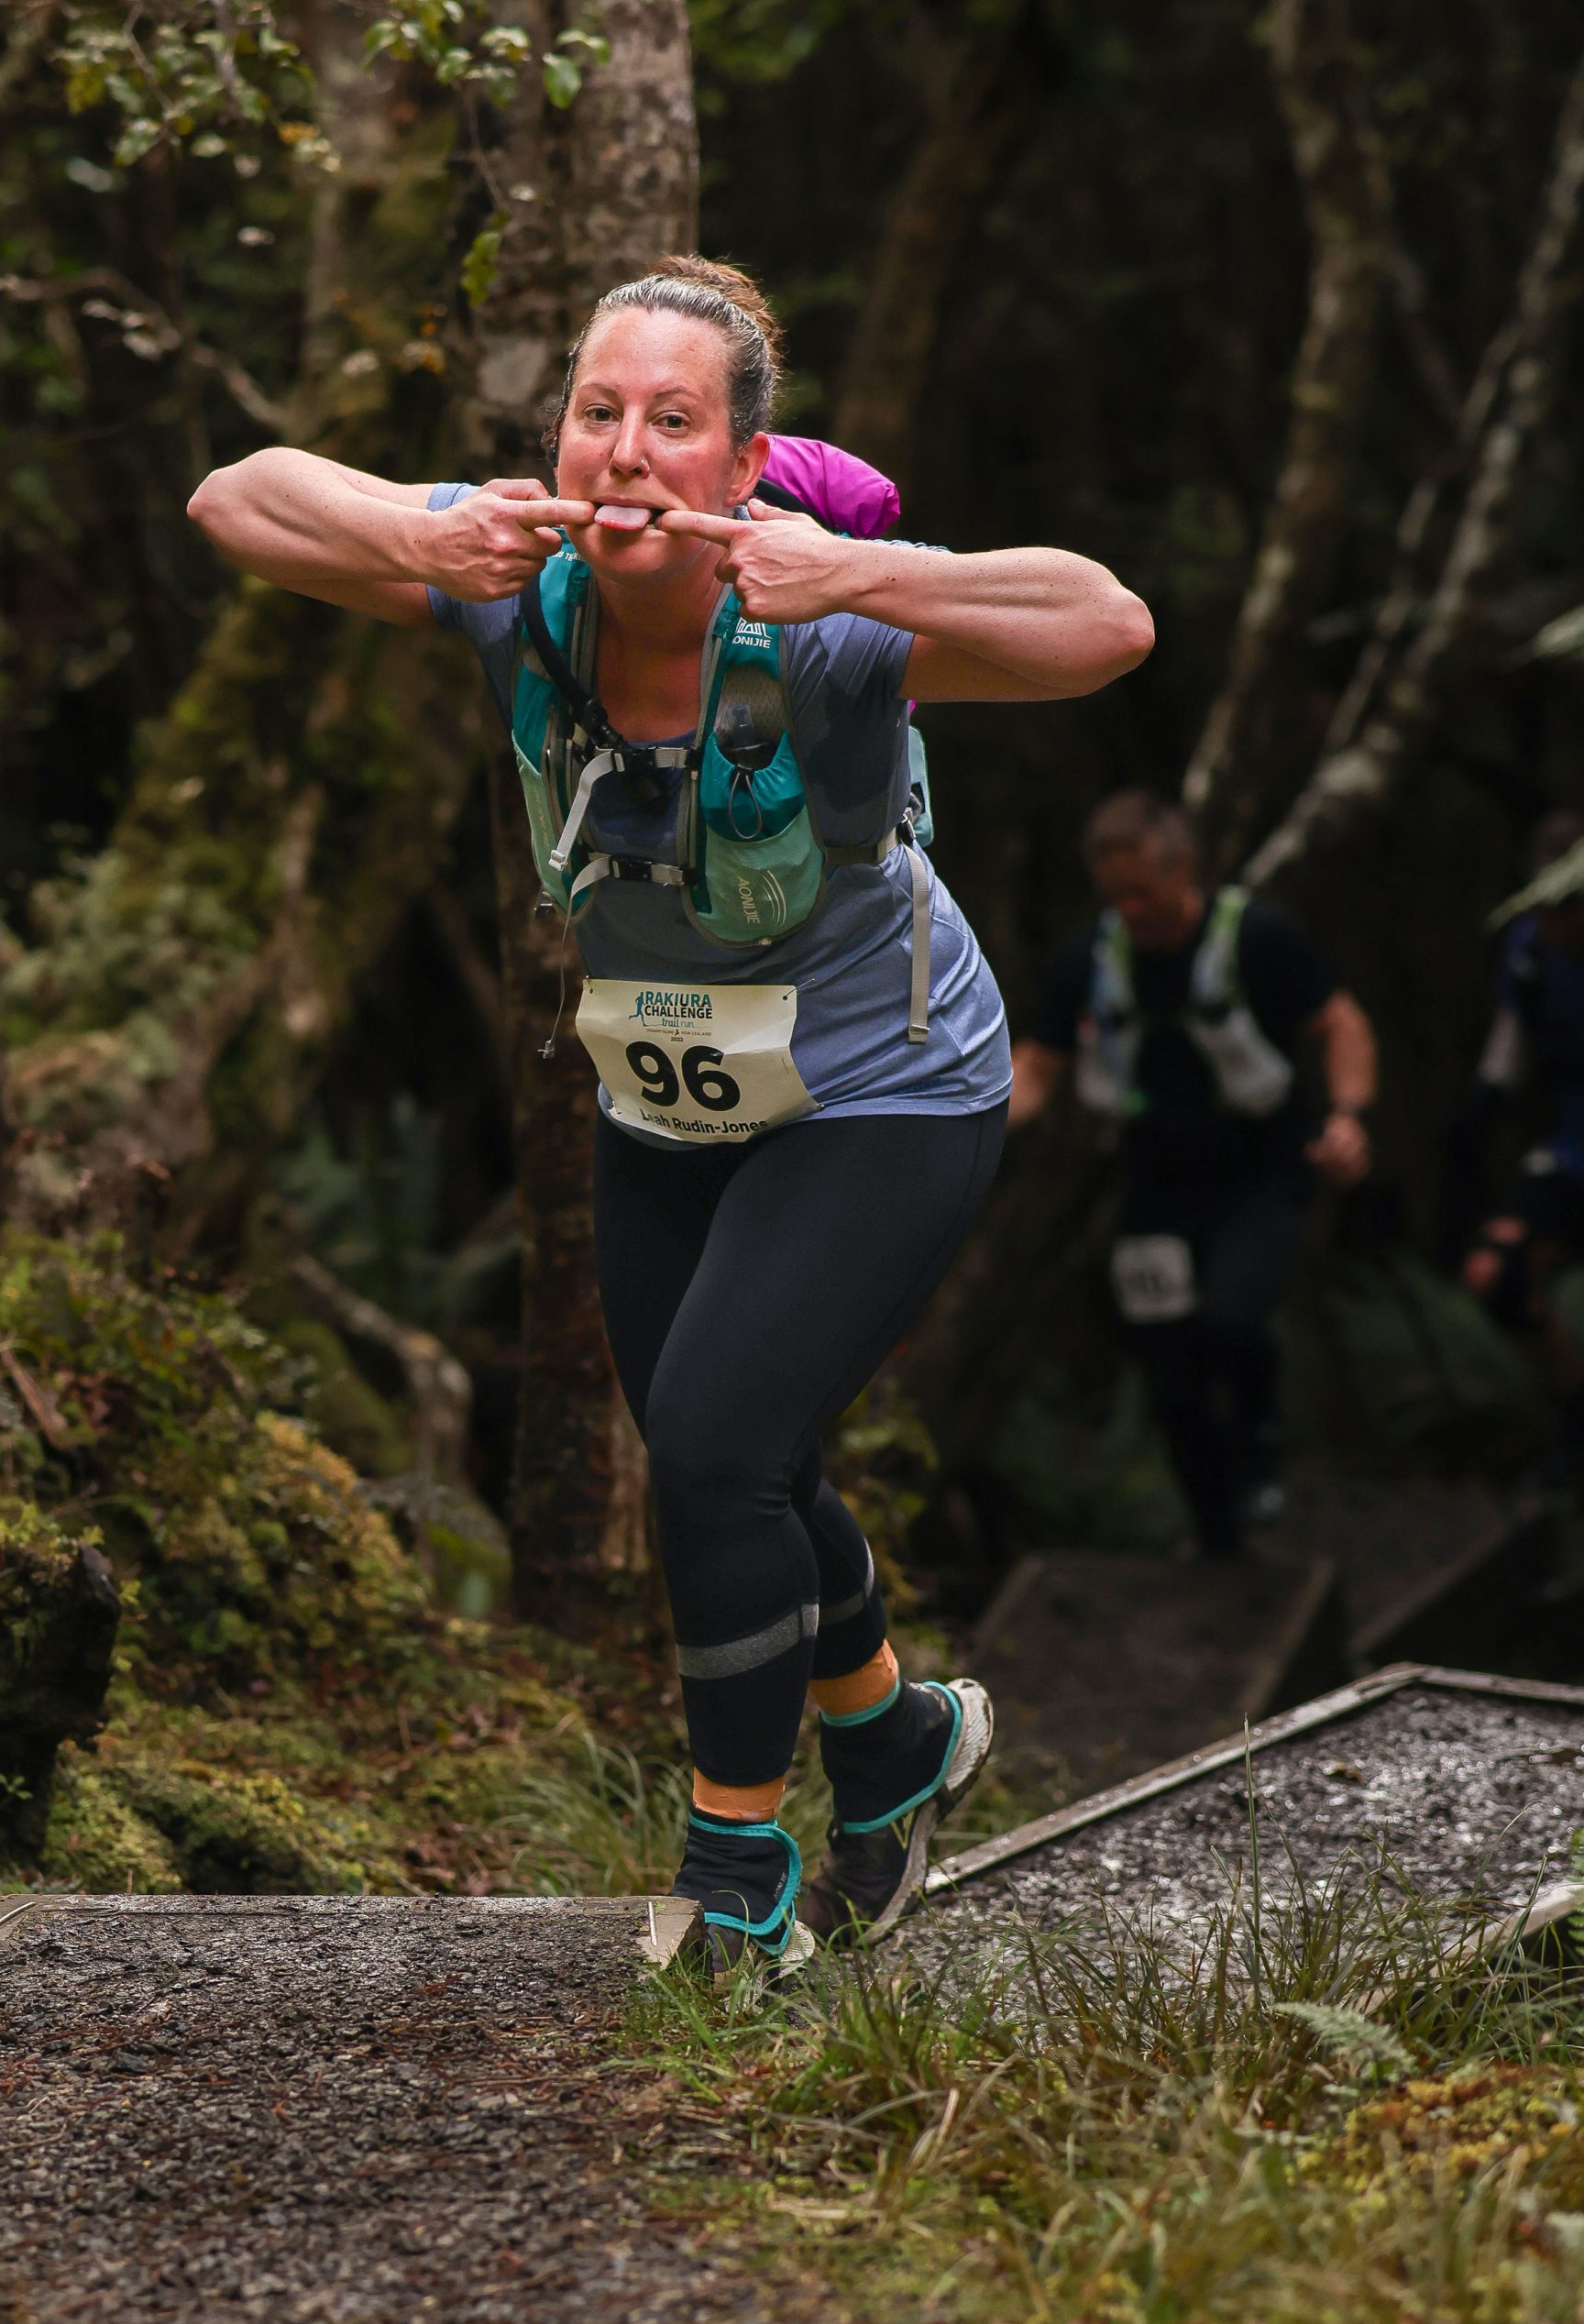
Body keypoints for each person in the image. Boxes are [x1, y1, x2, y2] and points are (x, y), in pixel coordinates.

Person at [187, 255, 1153, 1970]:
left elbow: (1107, 623)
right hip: (667, 1101)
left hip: (884, 1090)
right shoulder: (516, 588)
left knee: (712, 1449)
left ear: (740, 463)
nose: (626, 452)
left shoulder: (836, 625)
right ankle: (895, 1739)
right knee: (736, 1458)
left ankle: (734, 1877)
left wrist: (847, 568)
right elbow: (236, 498)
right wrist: (416, 541)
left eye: (675, 422)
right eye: (597, 411)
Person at [1009, 792, 1375, 1557]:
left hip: (1264, 1171)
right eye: (1116, 896)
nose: (1131, 910)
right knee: (1168, 1367)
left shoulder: (1259, 937)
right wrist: (960, 1125)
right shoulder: (1091, 958)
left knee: (1231, 1320)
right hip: (1158, 1182)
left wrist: (1349, 1117)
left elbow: (1340, 1023)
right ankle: (1218, 1535)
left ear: (1186, 869)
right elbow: (1037, 1067)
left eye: (1144, 891)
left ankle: (1263, 1444)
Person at [1460, 813, 1584, 1492]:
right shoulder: (1530, 952)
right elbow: (1508, 1049)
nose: (1559, 923)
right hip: (1575, 1157)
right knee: (1496, 1274)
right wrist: (1476, 1118)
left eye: (1572, 906)